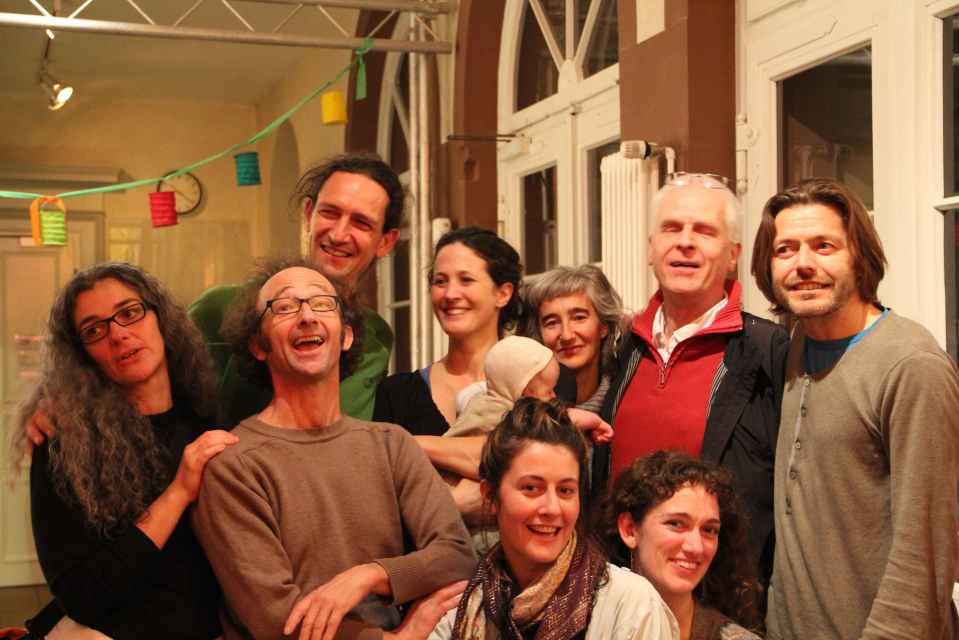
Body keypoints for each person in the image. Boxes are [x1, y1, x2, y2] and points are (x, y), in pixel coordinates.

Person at [191, 258, 475, 640]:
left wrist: (367, 576)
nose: (307, 315)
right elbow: (277, 621)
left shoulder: (391, 444)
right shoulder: (233, 466)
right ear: (258, 345)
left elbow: (457, 555)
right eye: (285, 307)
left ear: (346, 336)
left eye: (323, 303)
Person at [750, 177, 959, 639]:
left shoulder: (911, 365)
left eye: (824, 246)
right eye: (785, 250)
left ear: (859, 256)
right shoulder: (798, 344)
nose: (803, 265)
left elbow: (925, 553)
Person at [13, 263, 236, 639]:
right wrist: (178, 493)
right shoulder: (64, 443)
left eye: (129, 313)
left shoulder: (208, 423)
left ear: (161, 318)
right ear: (83, 356)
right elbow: (82, 596)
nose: (118, 334)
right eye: (94, 330)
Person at [596, 173, 788, 584]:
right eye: (671, 228)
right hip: (621, 594)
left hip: (722, 601)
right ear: (651, 249)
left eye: (704, 230)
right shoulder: (621, 347)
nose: (685, 241)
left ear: (733, 253)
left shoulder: (767, 351)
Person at [428, 397, 677, 640]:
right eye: (531, 488)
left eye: (566, 490)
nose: (552, 508)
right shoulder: (463, 613)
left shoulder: (630, 605)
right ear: (491, 496)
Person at [189, 152, 403, 424]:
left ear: (386, 241)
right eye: (330, 212)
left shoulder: (378, 338)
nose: (338, 235)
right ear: (308, 214)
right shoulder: (218, 308)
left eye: (361, 223)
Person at [374, 227, 525, 437]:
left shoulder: (538, 381)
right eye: (440, 281)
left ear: (503, 293)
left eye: (466, 280)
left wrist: (409, 446)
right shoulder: (395, 393)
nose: (450, 294)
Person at [602, 450, 763, 640]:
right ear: (629, 529)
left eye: (709, 530)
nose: (696, 547)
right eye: (676, 523)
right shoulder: (583, 622)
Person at [521, 264, 627, 412]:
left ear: (604, 326)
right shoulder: (523, 408)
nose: (566, 335)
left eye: (579, 318)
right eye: (551, 323)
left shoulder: (627, 399)